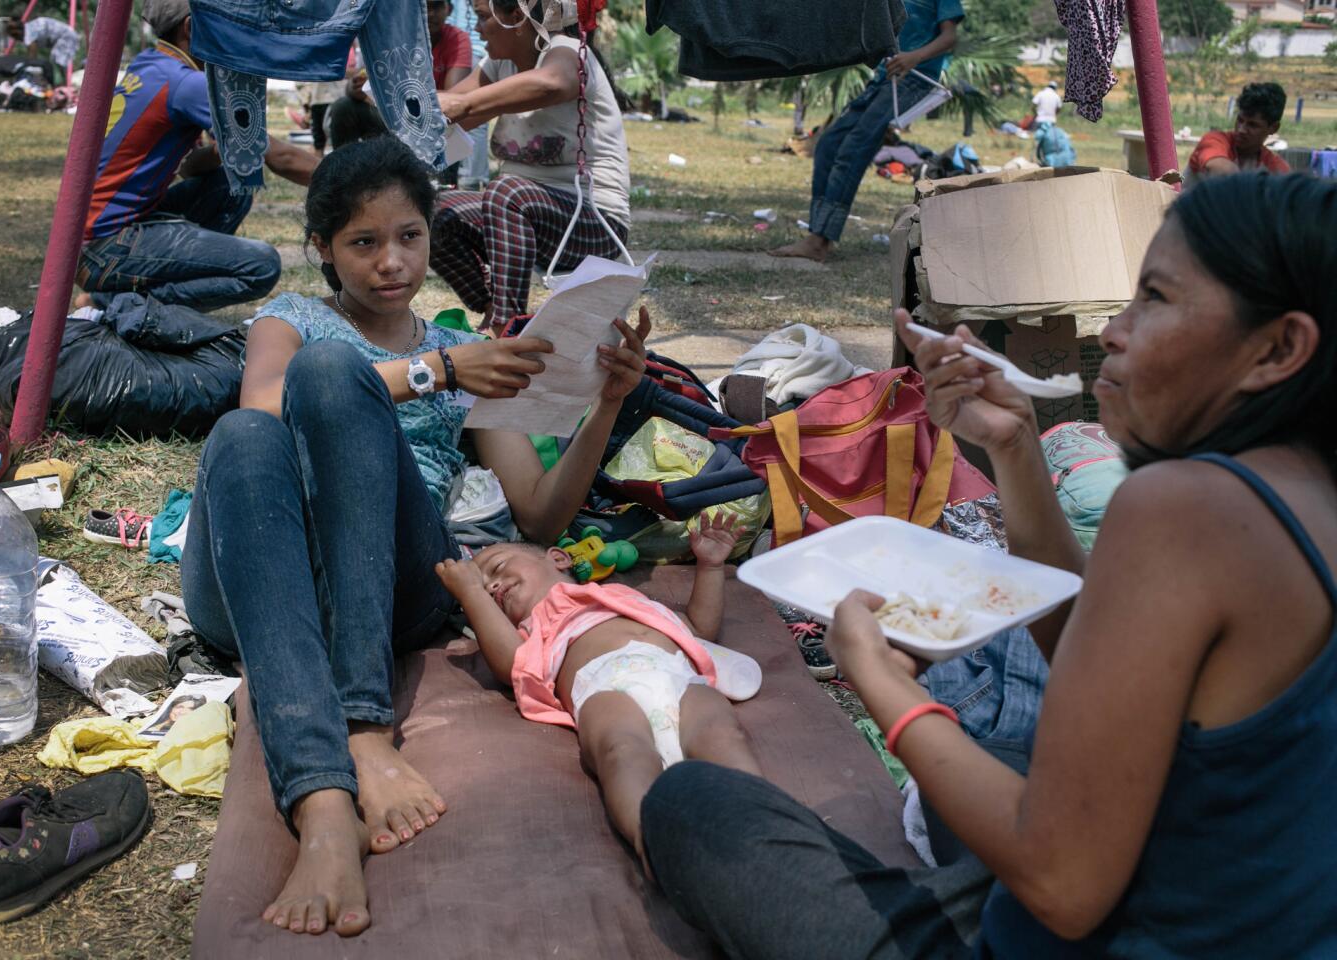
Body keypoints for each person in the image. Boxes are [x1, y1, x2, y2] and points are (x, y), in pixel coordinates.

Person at [639, 173, 1337, 957]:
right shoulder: (1303, 492)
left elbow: (1066, 888)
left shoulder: (1184, 507)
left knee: (693, 805)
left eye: (1157, 300)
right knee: (999, 759)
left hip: (1092, 912)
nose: (1113, 331)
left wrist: (888, 691)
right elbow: (1091, 670)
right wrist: (1012, 445)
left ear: (1279, 348)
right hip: (1193, 888)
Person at [181, 133, 653, 937]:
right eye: (364, 243)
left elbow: (538, 516)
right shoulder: (291, 320)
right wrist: (438, 375)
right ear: (323, 251)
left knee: (334, 378)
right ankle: (338, 775)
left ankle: (348, 759)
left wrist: (607, 402)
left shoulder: (457, 345)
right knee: (268, 418)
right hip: (262, 582)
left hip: (388, 586)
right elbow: (257, 409)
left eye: (409, 237)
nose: (391, 262)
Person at [433, 512, 760, 862]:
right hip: (605, 688)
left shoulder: (622, 596)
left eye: (497, 568)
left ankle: (761, 823)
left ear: (557, 557)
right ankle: (656, 845)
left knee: (723, 732)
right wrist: (471, 593)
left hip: (678, 675)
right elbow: (509, 663)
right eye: (486, 591)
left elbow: (696, 628)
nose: (492, 587)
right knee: (621, 749)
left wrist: (709, 567)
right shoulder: (531, 629)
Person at [75, 0, 315, 312]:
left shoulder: (153, 63)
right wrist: (353, 179)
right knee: (260, 266)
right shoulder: (187, 84)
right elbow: (280, 158)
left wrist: (225, 147)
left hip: (98, 237)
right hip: (104, 249)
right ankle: (111, 304)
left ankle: (153, 283)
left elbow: (190, 168)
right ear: (190, 27)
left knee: (231, 186)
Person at [429, 0, 630, 332]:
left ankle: (504, 326)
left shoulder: (566, 51)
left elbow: (552, 83)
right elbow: (449, 117)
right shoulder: (497, 66)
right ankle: (495, 307)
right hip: (519, 216)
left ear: (517, 18)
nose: (475, 29)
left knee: (507, 191)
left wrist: (462, 103)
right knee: (432, 209)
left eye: (481, 17)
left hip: (594, 221)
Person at [771, 0, 962, 264]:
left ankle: (819, 241)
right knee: (828, 144)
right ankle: (816, 233)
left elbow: (949, 37)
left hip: (915, 79)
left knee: (853, 149)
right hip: (883, 79)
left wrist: (913, 57)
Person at [1187, 82, 1290, 179]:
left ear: (1274, 128)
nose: (1241, 130)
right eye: (1240, 120)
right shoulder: (1214, 141)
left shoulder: (1275, 167)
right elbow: (1223, 172)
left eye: (1252, 125)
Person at [428, 0, 475, 185]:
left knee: (446, 123)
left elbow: (452, 97)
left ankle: (444, 190)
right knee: (346, 107)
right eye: (424, 7)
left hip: (437, 120)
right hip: (396, 117)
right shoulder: (399, 37)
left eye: (436, 6)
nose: (430, 14)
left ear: (450, 10)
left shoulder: (458, 38)